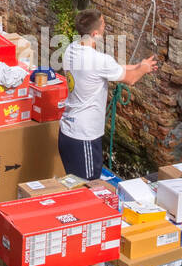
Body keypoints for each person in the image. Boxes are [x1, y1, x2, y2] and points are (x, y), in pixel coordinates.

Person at [58, 9, 158, 180]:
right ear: (95, 33)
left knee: (76, 188)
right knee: (88, 188)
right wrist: (144, 69)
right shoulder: (99, 60)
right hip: (85, 137)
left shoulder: (71, 49)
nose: (105, 29)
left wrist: (137, 65)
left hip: (67, 132)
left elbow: (112, 70)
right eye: (103, 25)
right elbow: (131, 80)